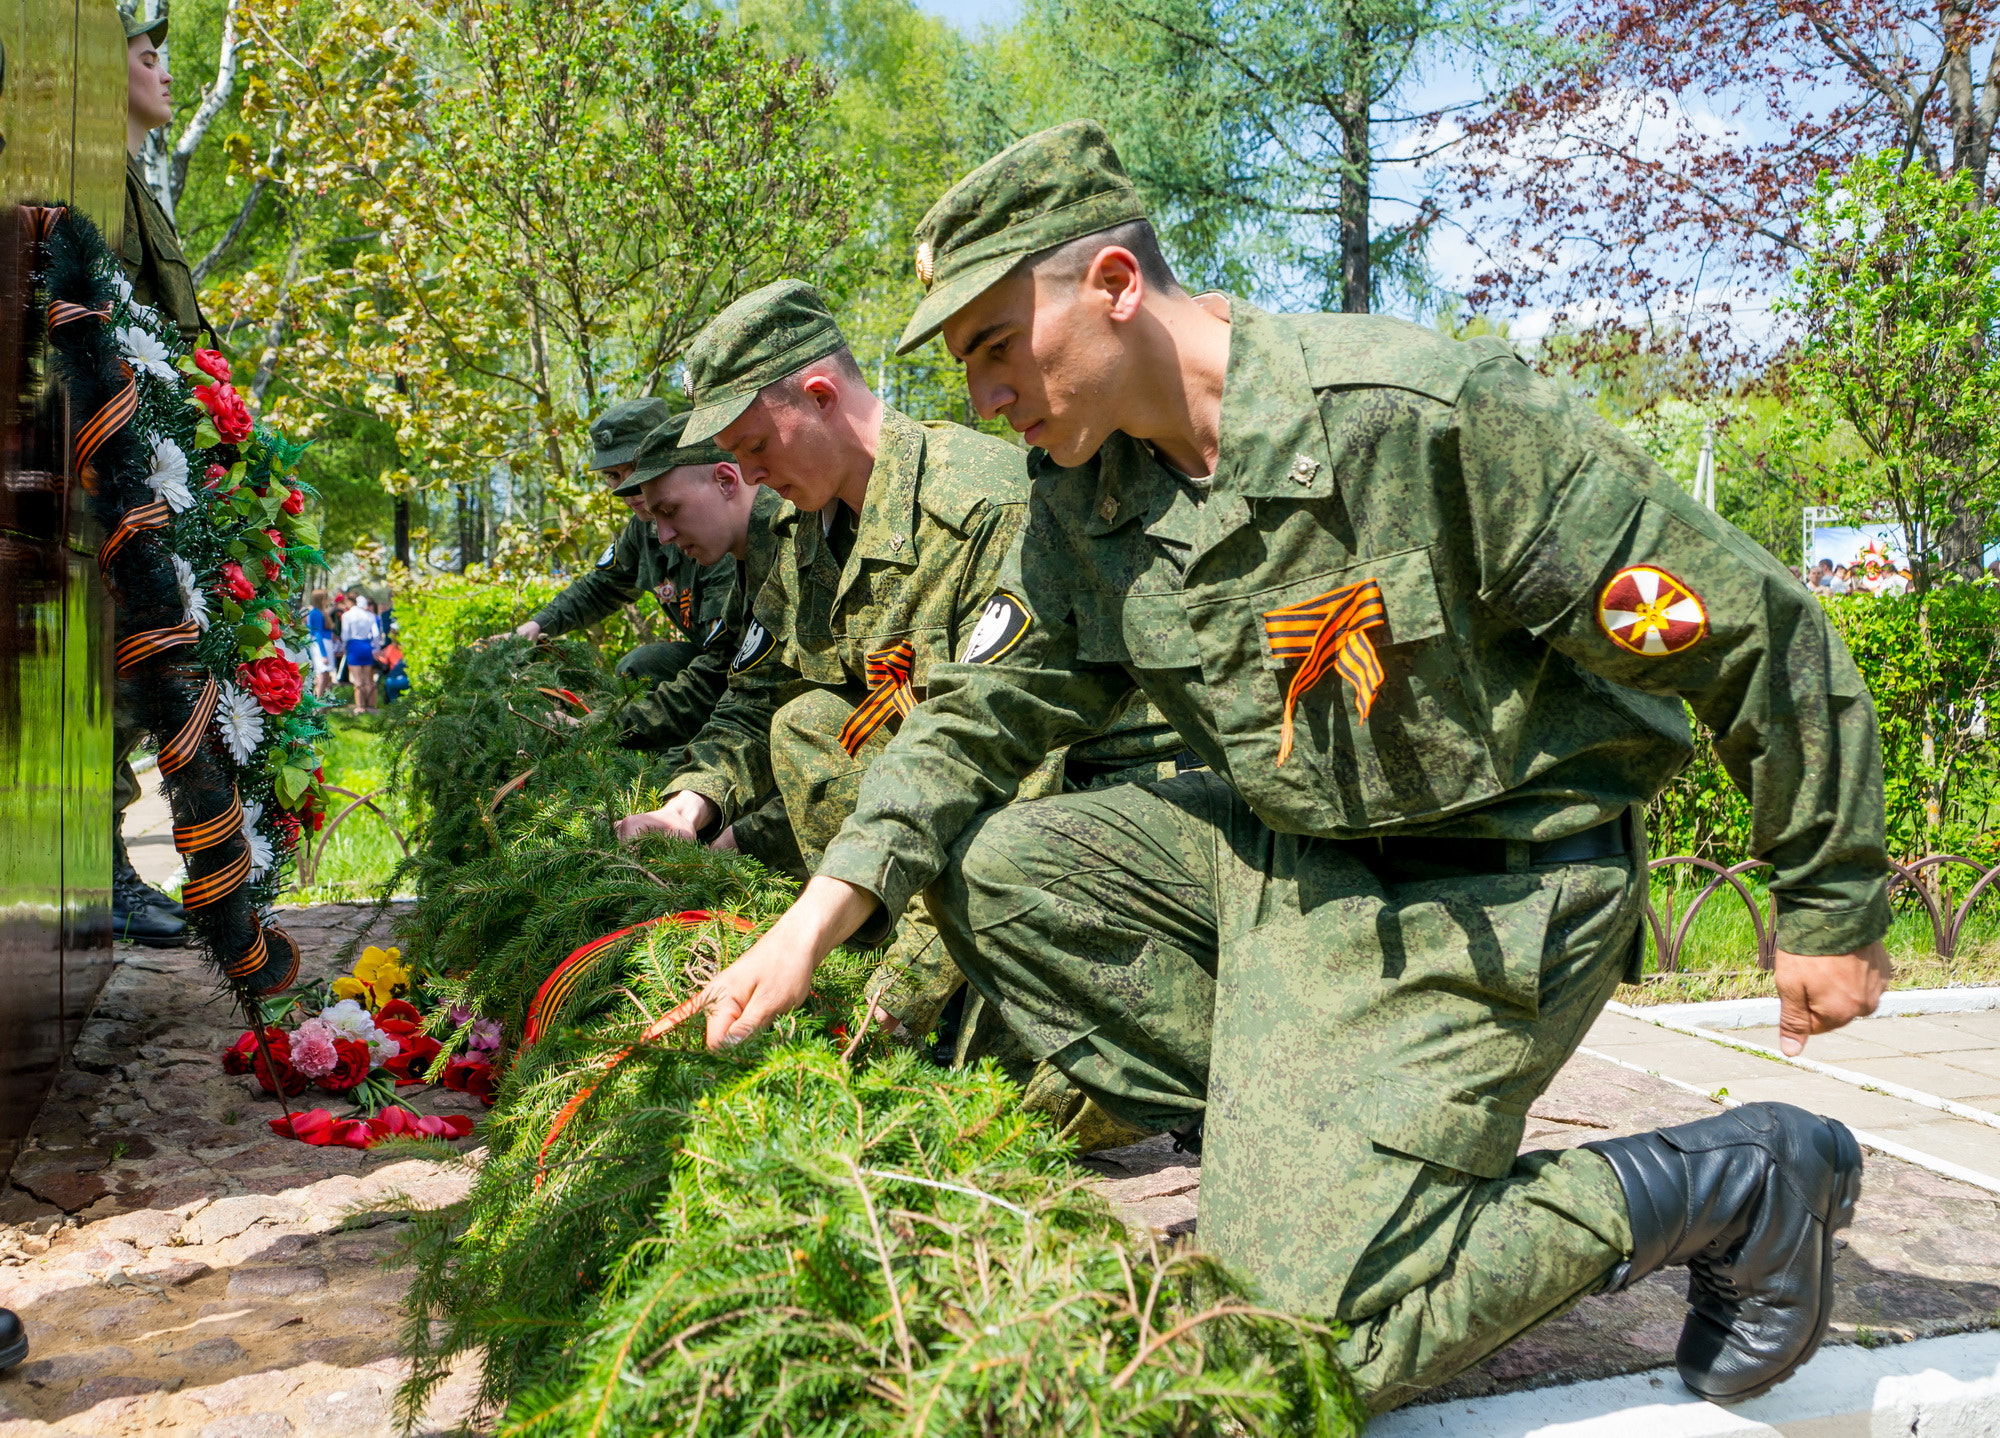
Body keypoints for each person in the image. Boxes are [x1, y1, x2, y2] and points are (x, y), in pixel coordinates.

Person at [682, 122, 1894, 1412]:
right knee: (994, 863)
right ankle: (1310, 1132)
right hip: (1289, 865)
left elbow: (1748, 628)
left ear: (1111, 283)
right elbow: (978, 717)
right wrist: (818, 919)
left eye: (992, 342)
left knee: (1292, 1351)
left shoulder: (1413, 420)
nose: (980, 394)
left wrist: (1828, 902)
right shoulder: (1083, 506)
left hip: (1497, 889)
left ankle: (1738, 1178)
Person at [614, 280, 1186, 1105]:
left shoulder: (983, 507)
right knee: (810, 722)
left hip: (1065, 822)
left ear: (819, 398)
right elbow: (766, 684)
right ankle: (898, 973)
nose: (752, 475)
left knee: (1040, 1107)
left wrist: (889, 1008)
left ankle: (970, 1003)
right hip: (929, 807)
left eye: (757, 447)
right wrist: (691, 806)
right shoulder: (802, 527)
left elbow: (1008, 769)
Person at [614, 415, 800, 877]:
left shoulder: (795, 547)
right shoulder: (750, 562)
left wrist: (750, 835)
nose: (664, 538)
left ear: (724, 479)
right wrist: (687, 807)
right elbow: (733, 686)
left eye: (670, 511)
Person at [108, 0, 197, 951]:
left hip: (148, 474)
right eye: (147, 55)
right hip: (117, 480)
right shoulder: (110, 183)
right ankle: (106, 871)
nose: (164, 71)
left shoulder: (138, 181)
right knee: (121, 683)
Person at [492, 398, 736, 682]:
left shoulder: (714, 524)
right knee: (641, 666)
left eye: (635, 467)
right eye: (612, 475)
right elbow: (603, 586)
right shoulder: (642, 531)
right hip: (716, 659)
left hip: (747, 670)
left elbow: (730, 661)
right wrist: (536, 625)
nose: (625, 488)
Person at [342, 594, 381, 714]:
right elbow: (376, 635)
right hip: (366, 646)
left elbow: (345, 635)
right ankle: (371, 706)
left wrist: (343, 647)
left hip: (354, 646)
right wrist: (375, 648)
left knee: (357, 680)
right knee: (368, 679)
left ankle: (360, 706)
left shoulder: (347, 615)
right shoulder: (371, 616)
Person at [306, 589, 335, 699]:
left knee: (326, 677)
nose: (328, 600)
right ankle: (316, 704)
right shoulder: (315, 613)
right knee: (322, 677)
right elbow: (317, 633)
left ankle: (321, 705)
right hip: (320, 645)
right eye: (326, 598)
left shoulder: (319, 612)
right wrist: (323, 654)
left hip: (324, 643)